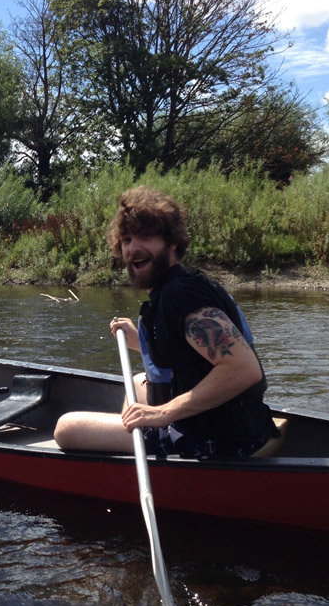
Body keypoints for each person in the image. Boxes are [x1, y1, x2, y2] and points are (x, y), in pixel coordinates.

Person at [54, 186, 276, 458]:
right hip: (243, 423)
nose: (133, 249)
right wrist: (139, 340)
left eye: (146, 237)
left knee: (66, 428)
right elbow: (185, 353)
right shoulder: (179, 286)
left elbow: (244, 369)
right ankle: (137, 436)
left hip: (217, 438)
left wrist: (161, 413)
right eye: (126, 240)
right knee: (138, 381)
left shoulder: (180, 296)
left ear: (171, 243)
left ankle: (144, 439)